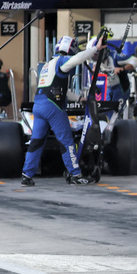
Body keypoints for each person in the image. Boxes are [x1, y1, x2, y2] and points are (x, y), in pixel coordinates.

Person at [22, 35, 101, 187]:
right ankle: (75, 174)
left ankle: (27, 174)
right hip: (53, 106)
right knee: (66, 142)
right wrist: (95, 49)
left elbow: (58, 88)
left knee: (37, 142)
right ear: (70, 49)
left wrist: (78, 99)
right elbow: (77, 59)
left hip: (38, 105)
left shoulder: (48, 64)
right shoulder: (62, 61)